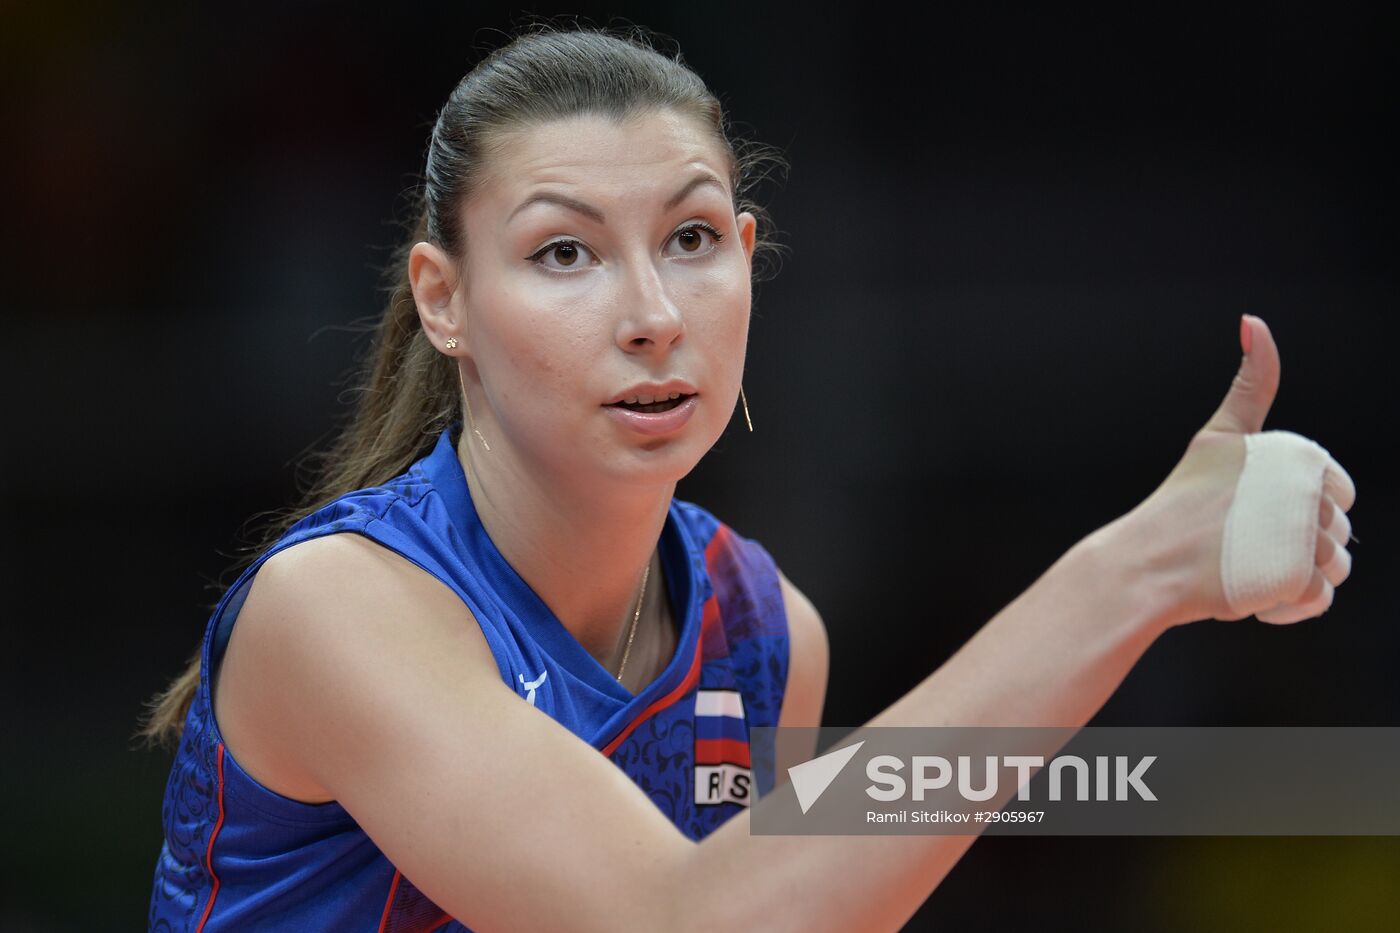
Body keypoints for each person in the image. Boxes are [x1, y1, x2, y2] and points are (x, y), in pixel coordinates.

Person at [139, 25, 1356, 932]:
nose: (654, 314)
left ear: (748, 261)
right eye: (563, 253)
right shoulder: (343, 611)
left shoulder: (761, 633)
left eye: (692, 238)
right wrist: (1132, 571)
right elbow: (678, 922)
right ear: (443, 300)